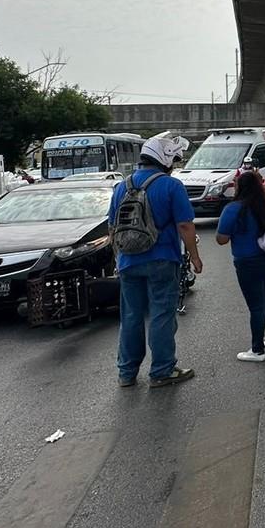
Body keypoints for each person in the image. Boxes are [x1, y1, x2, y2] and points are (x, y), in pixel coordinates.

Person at [108, 132, 201, 388]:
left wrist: (118, 258)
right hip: (161, 259)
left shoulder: (121, 186)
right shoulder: (171, 186)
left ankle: (126, 373)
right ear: (166, 158)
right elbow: (185, 225)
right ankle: (162, 370)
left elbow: (112, 227)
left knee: (131, 316)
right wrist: (195, 258)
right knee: (162, 314)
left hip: (128, 261)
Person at [217, 169, 265, 362]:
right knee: (262, 292)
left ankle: (257, 350)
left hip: (247, 262)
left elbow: (222, 239)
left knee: (255, 306)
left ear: (239, 187)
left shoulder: (232, 209)